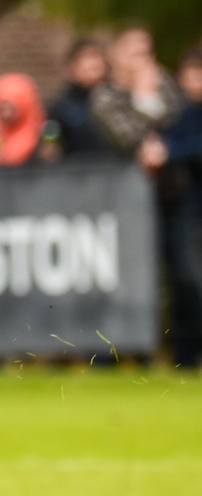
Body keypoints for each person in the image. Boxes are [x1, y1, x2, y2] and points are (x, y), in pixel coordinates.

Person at [94, 27, 183, 172]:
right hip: (121, 178)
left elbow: (178, 121)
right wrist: (144, 98)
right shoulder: (105, 97)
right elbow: (129, 139)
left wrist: (165, 147)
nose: (145, 61)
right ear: (116, 56)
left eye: (148, 53)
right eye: (137, 54)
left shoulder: (165, 82)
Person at [162, 49, 202, 367]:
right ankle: (185, 356)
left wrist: (170, 152)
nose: (190, 82)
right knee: (186, 280)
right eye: (186, 75)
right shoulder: (185, 114)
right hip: (192, 206)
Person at [47, 40, 114, 158]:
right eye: (86, 58)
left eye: (96, 56)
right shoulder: (60, 107)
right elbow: (50, 146)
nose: (93, 63)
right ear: (71, 67)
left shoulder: (118, 100)